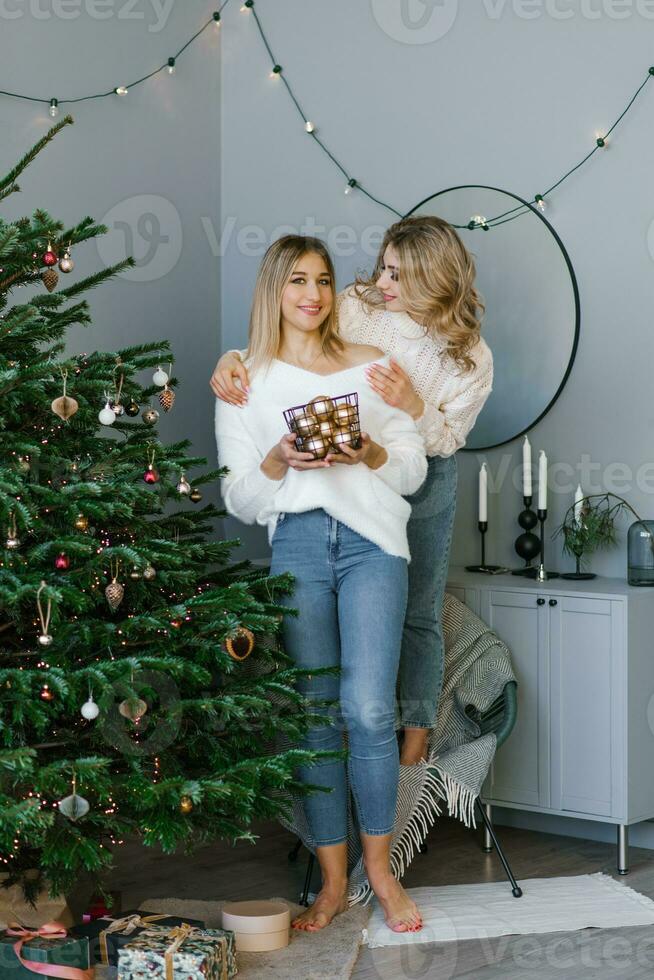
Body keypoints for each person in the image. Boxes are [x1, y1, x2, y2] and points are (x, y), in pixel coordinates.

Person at [211, 216, 493, 766]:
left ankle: (415, 735)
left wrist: (412, 404)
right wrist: (233, 359)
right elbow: (293, 328)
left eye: (397, 275)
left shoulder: (470, 357)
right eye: (383, 267)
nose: (381, 283)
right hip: (348, 469)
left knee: (419, 609)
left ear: (433, 280)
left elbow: (449, 439)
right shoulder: (357, 304)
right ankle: (353, 735)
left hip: (426, 473)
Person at [214, 235, 428, 934]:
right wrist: (279, 457)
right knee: (316, 714)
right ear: (273, 290)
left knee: (367, 710)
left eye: (325, 281)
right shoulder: (244, 379)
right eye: (297, 280)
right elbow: (240, 498)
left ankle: (380, 872)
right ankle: (332, 885)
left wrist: (367, 449)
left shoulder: (374, 368)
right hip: (299, 543)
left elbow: (413, 470)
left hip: (372, 544)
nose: (312, 294)